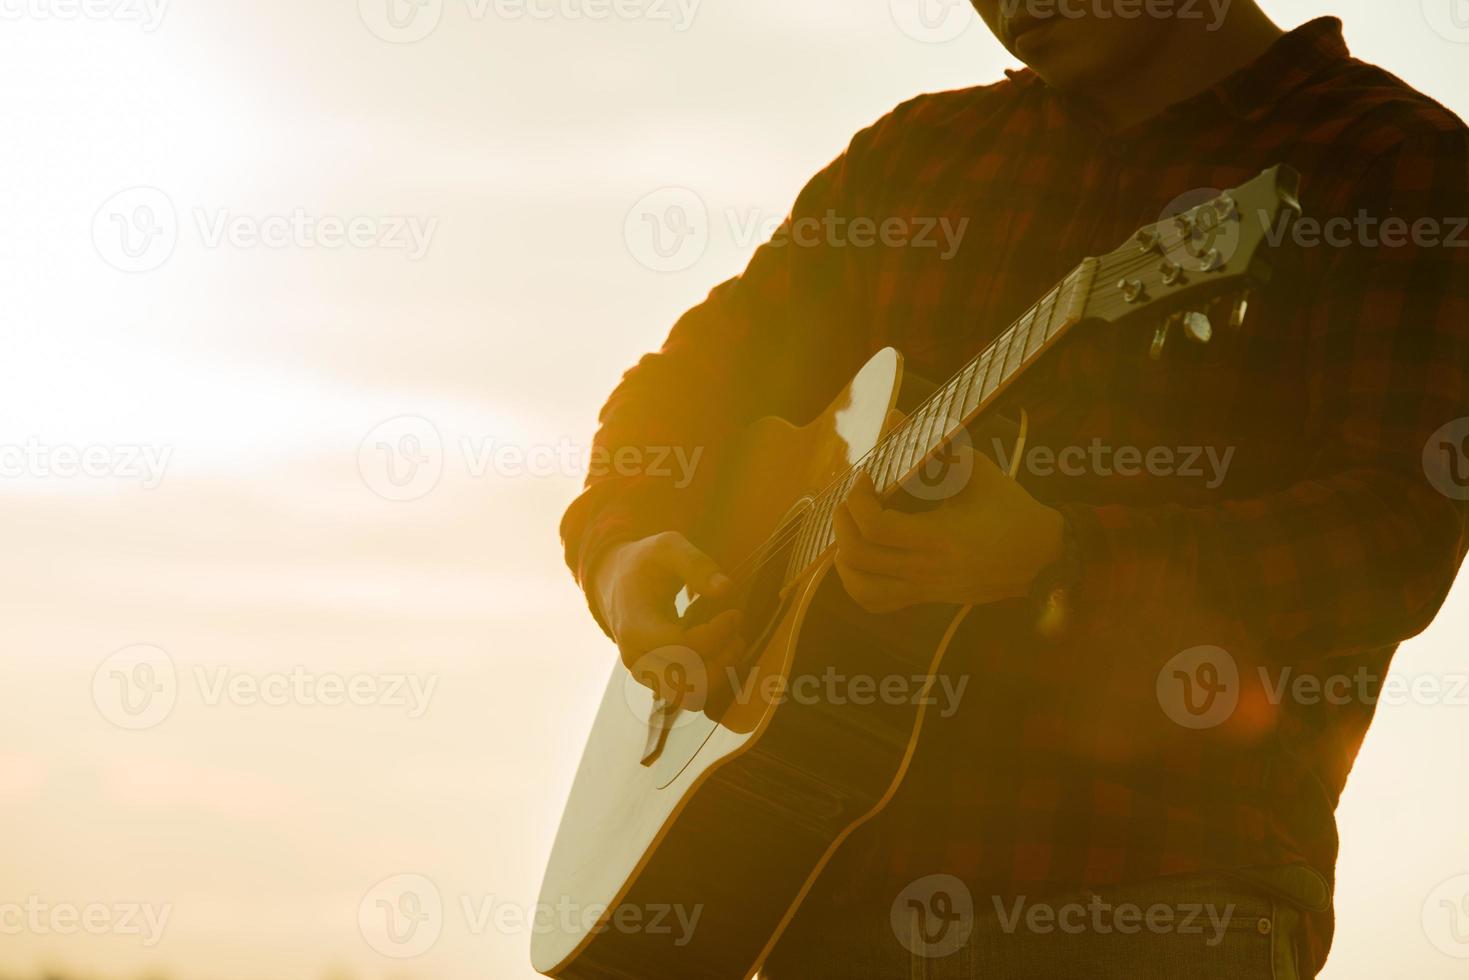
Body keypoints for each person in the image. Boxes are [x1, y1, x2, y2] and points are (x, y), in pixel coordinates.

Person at [559, 4, 1469, 976]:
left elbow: (1396, 529)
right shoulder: (917, 156)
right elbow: (684, 390)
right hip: (807, 900)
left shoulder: (1391, 162)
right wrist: (620, 549)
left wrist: (1060, 556)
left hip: (1145, 896)